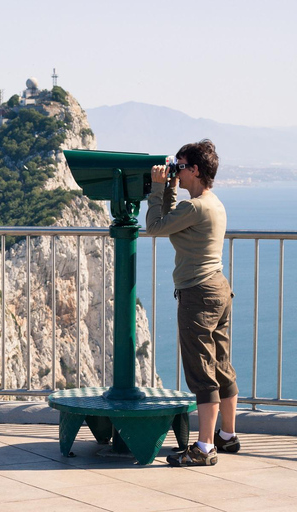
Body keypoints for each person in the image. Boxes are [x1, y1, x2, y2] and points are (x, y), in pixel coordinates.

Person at [146, 139, 240, 466]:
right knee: (222, 366)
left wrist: (158, 187)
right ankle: (227, 436)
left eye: (181, 167)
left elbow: (156, 226)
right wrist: (171, 185)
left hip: (197, 293)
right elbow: (173, 220)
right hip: (219, 289)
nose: (178, 173)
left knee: (202, 372)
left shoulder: (195, 207)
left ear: (196, 170)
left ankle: (204, 447)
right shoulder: (213, 203)